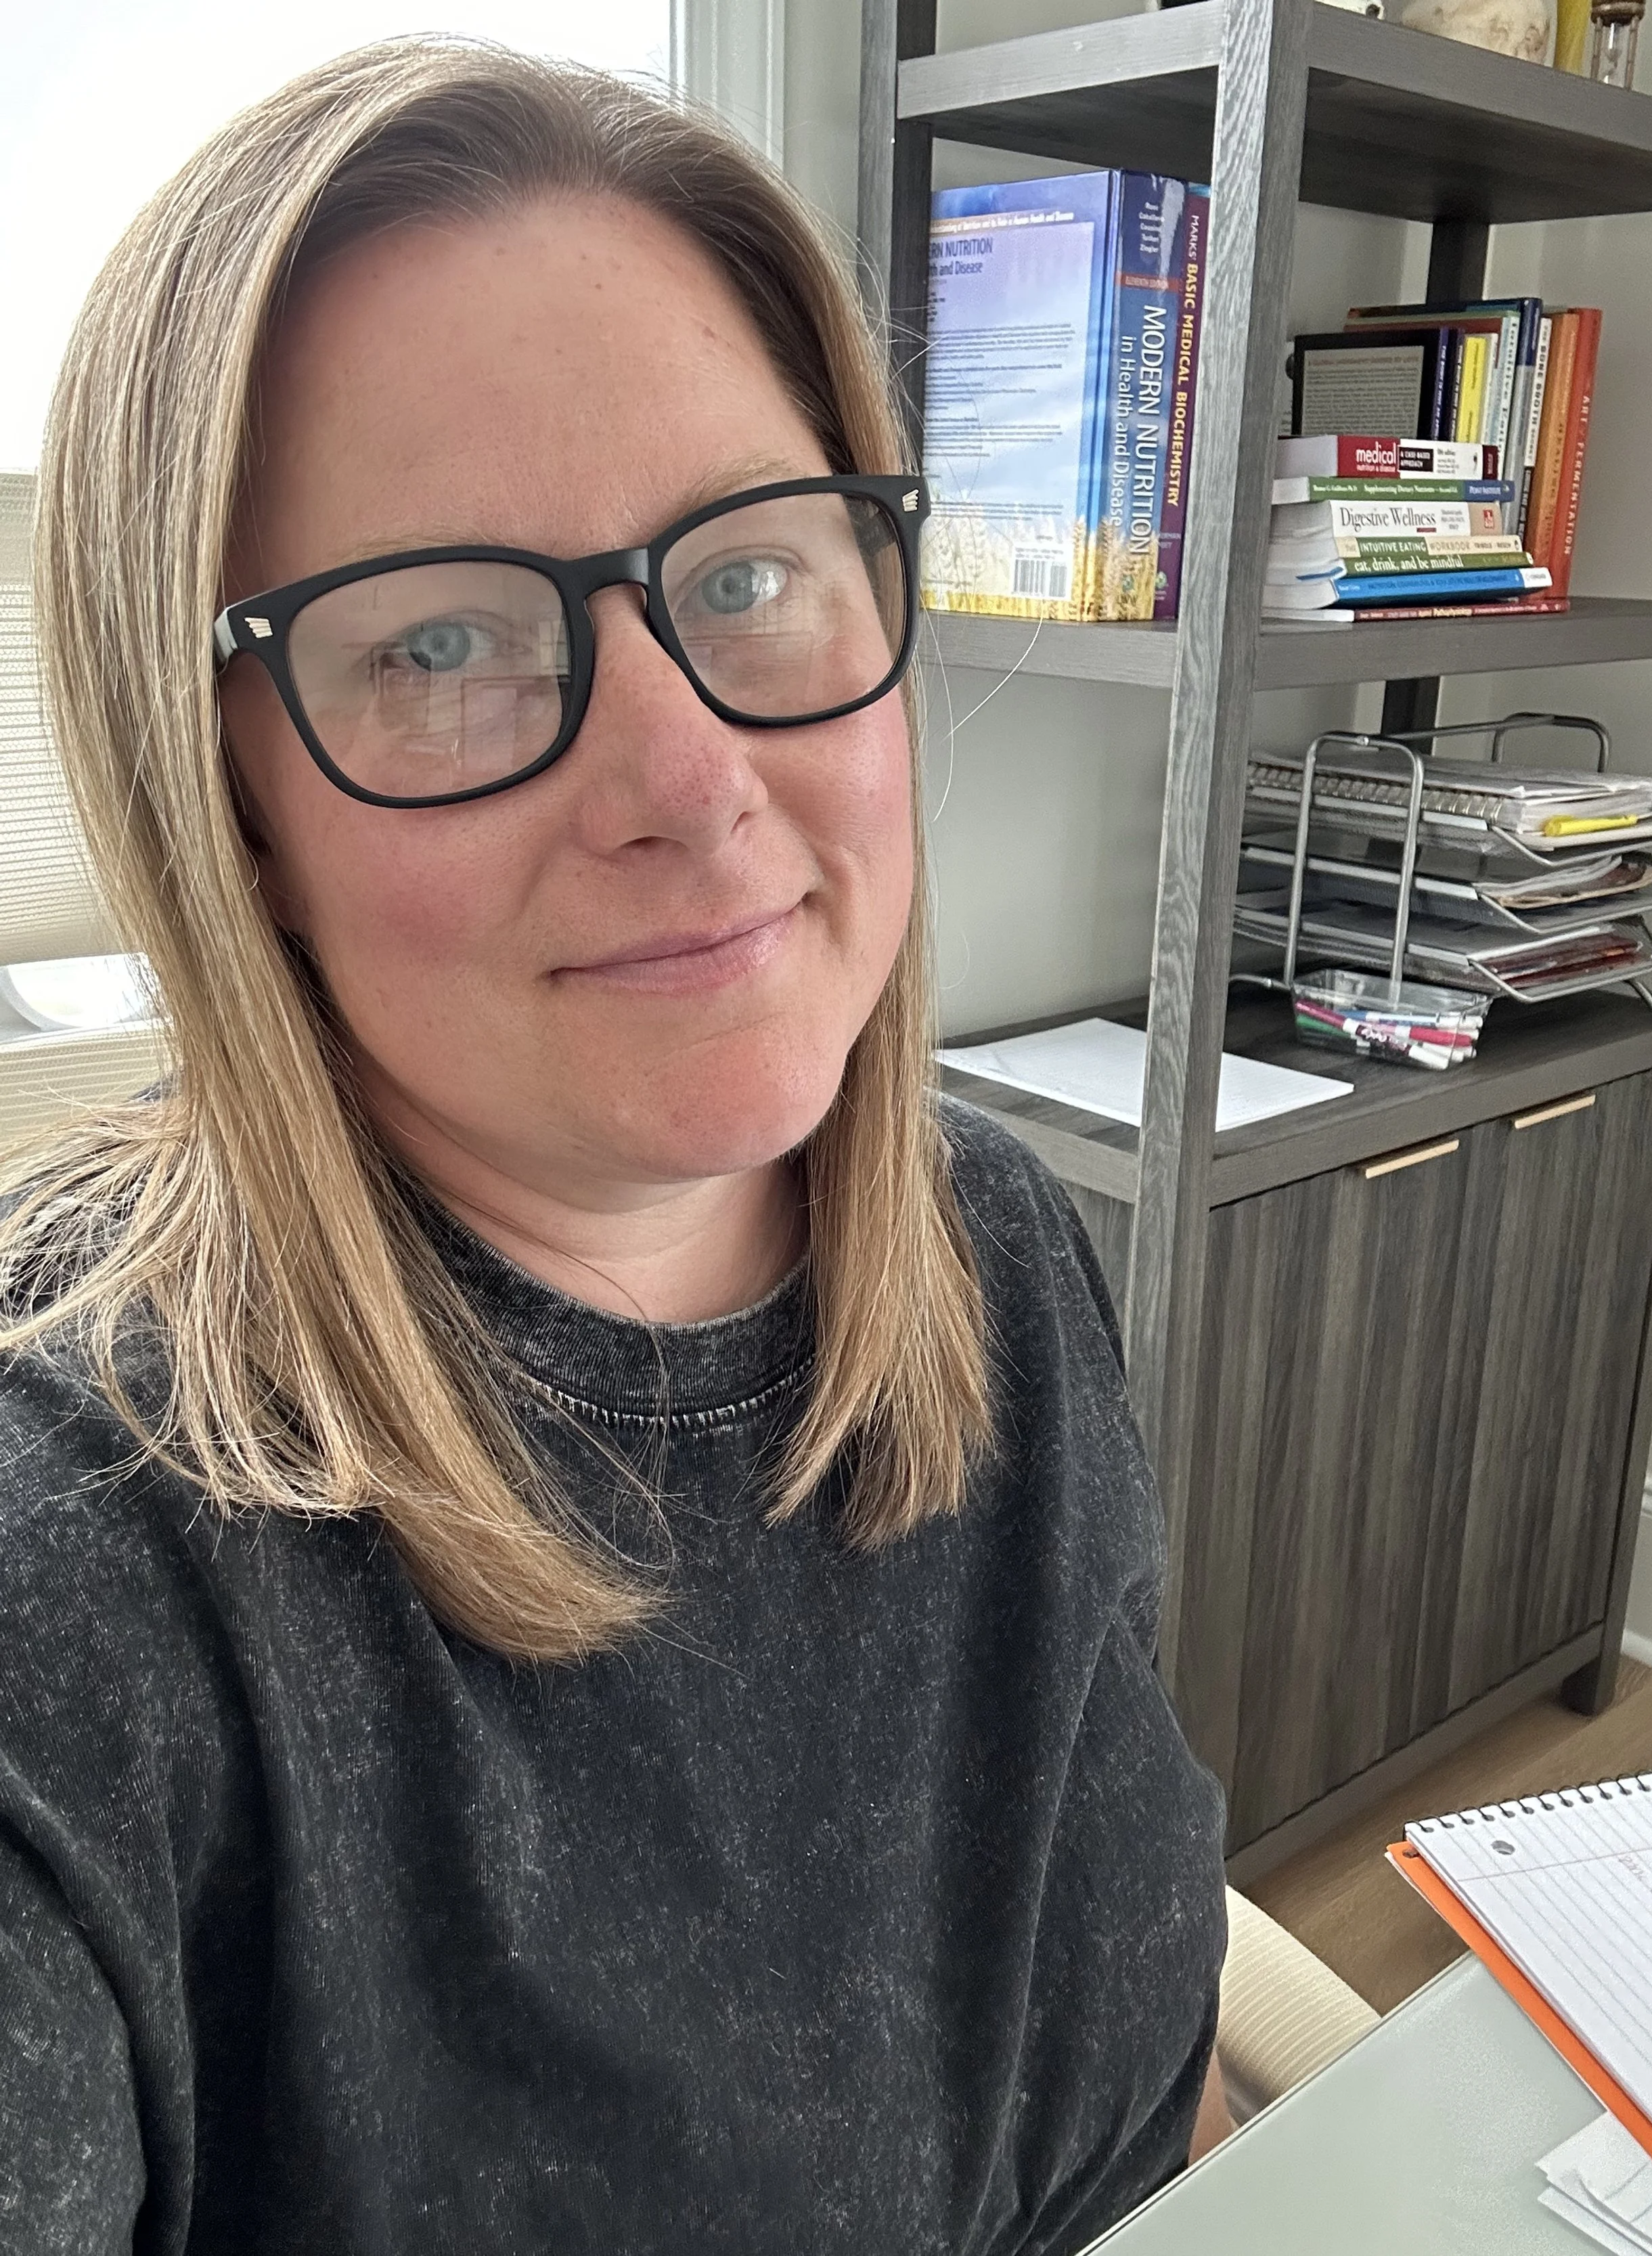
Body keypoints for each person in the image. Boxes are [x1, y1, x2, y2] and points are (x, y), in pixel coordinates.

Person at [0, 39, 1228, 2254]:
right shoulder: (70, 1551)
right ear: (232, 805)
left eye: (750, 575)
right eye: (447, 643)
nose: (686, 776)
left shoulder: (998, 1246)